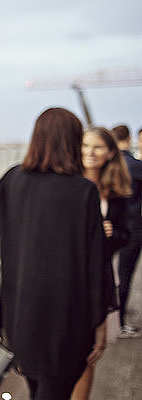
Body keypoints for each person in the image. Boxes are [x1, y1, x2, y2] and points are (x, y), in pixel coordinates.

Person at [0, 108, 111, 399]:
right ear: (72, 143)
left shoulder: (14, 179)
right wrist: (100, 326)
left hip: (23, 315)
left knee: (37, 385)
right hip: (66, 322)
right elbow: (96, 266)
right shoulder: (83, 191)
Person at [71, 126, 131, 399]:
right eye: (85, 145)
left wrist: (111, 234)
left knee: (88, 354)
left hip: (100, 277)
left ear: (109, 153)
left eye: (96, 147)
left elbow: (128, 234)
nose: (89, 152)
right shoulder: (68, 183)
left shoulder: (118, 190)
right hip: (69, 277)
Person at [110, 124, 142, 338]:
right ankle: (118, 323)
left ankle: (109, 319)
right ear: (129, 138)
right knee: (124, 275)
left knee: (108, 273)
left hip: (111, 227)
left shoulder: (110, 164)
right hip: (132, 227)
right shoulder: (135, 165)